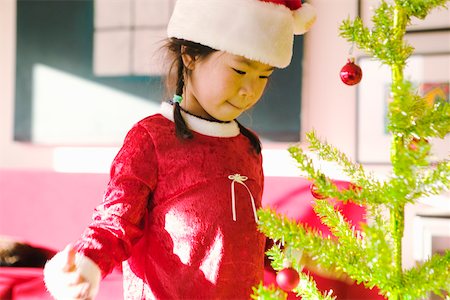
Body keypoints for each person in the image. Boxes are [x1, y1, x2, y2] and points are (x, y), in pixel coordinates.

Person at [43, 0, 316, 299]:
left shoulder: (248, 146)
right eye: (240, 71)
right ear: (190, 55)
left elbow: (248, 232)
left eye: (264, 76)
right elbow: (115, 223)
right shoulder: (151, 138)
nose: (250, 90)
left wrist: (294, 251)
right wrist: (85, 264)